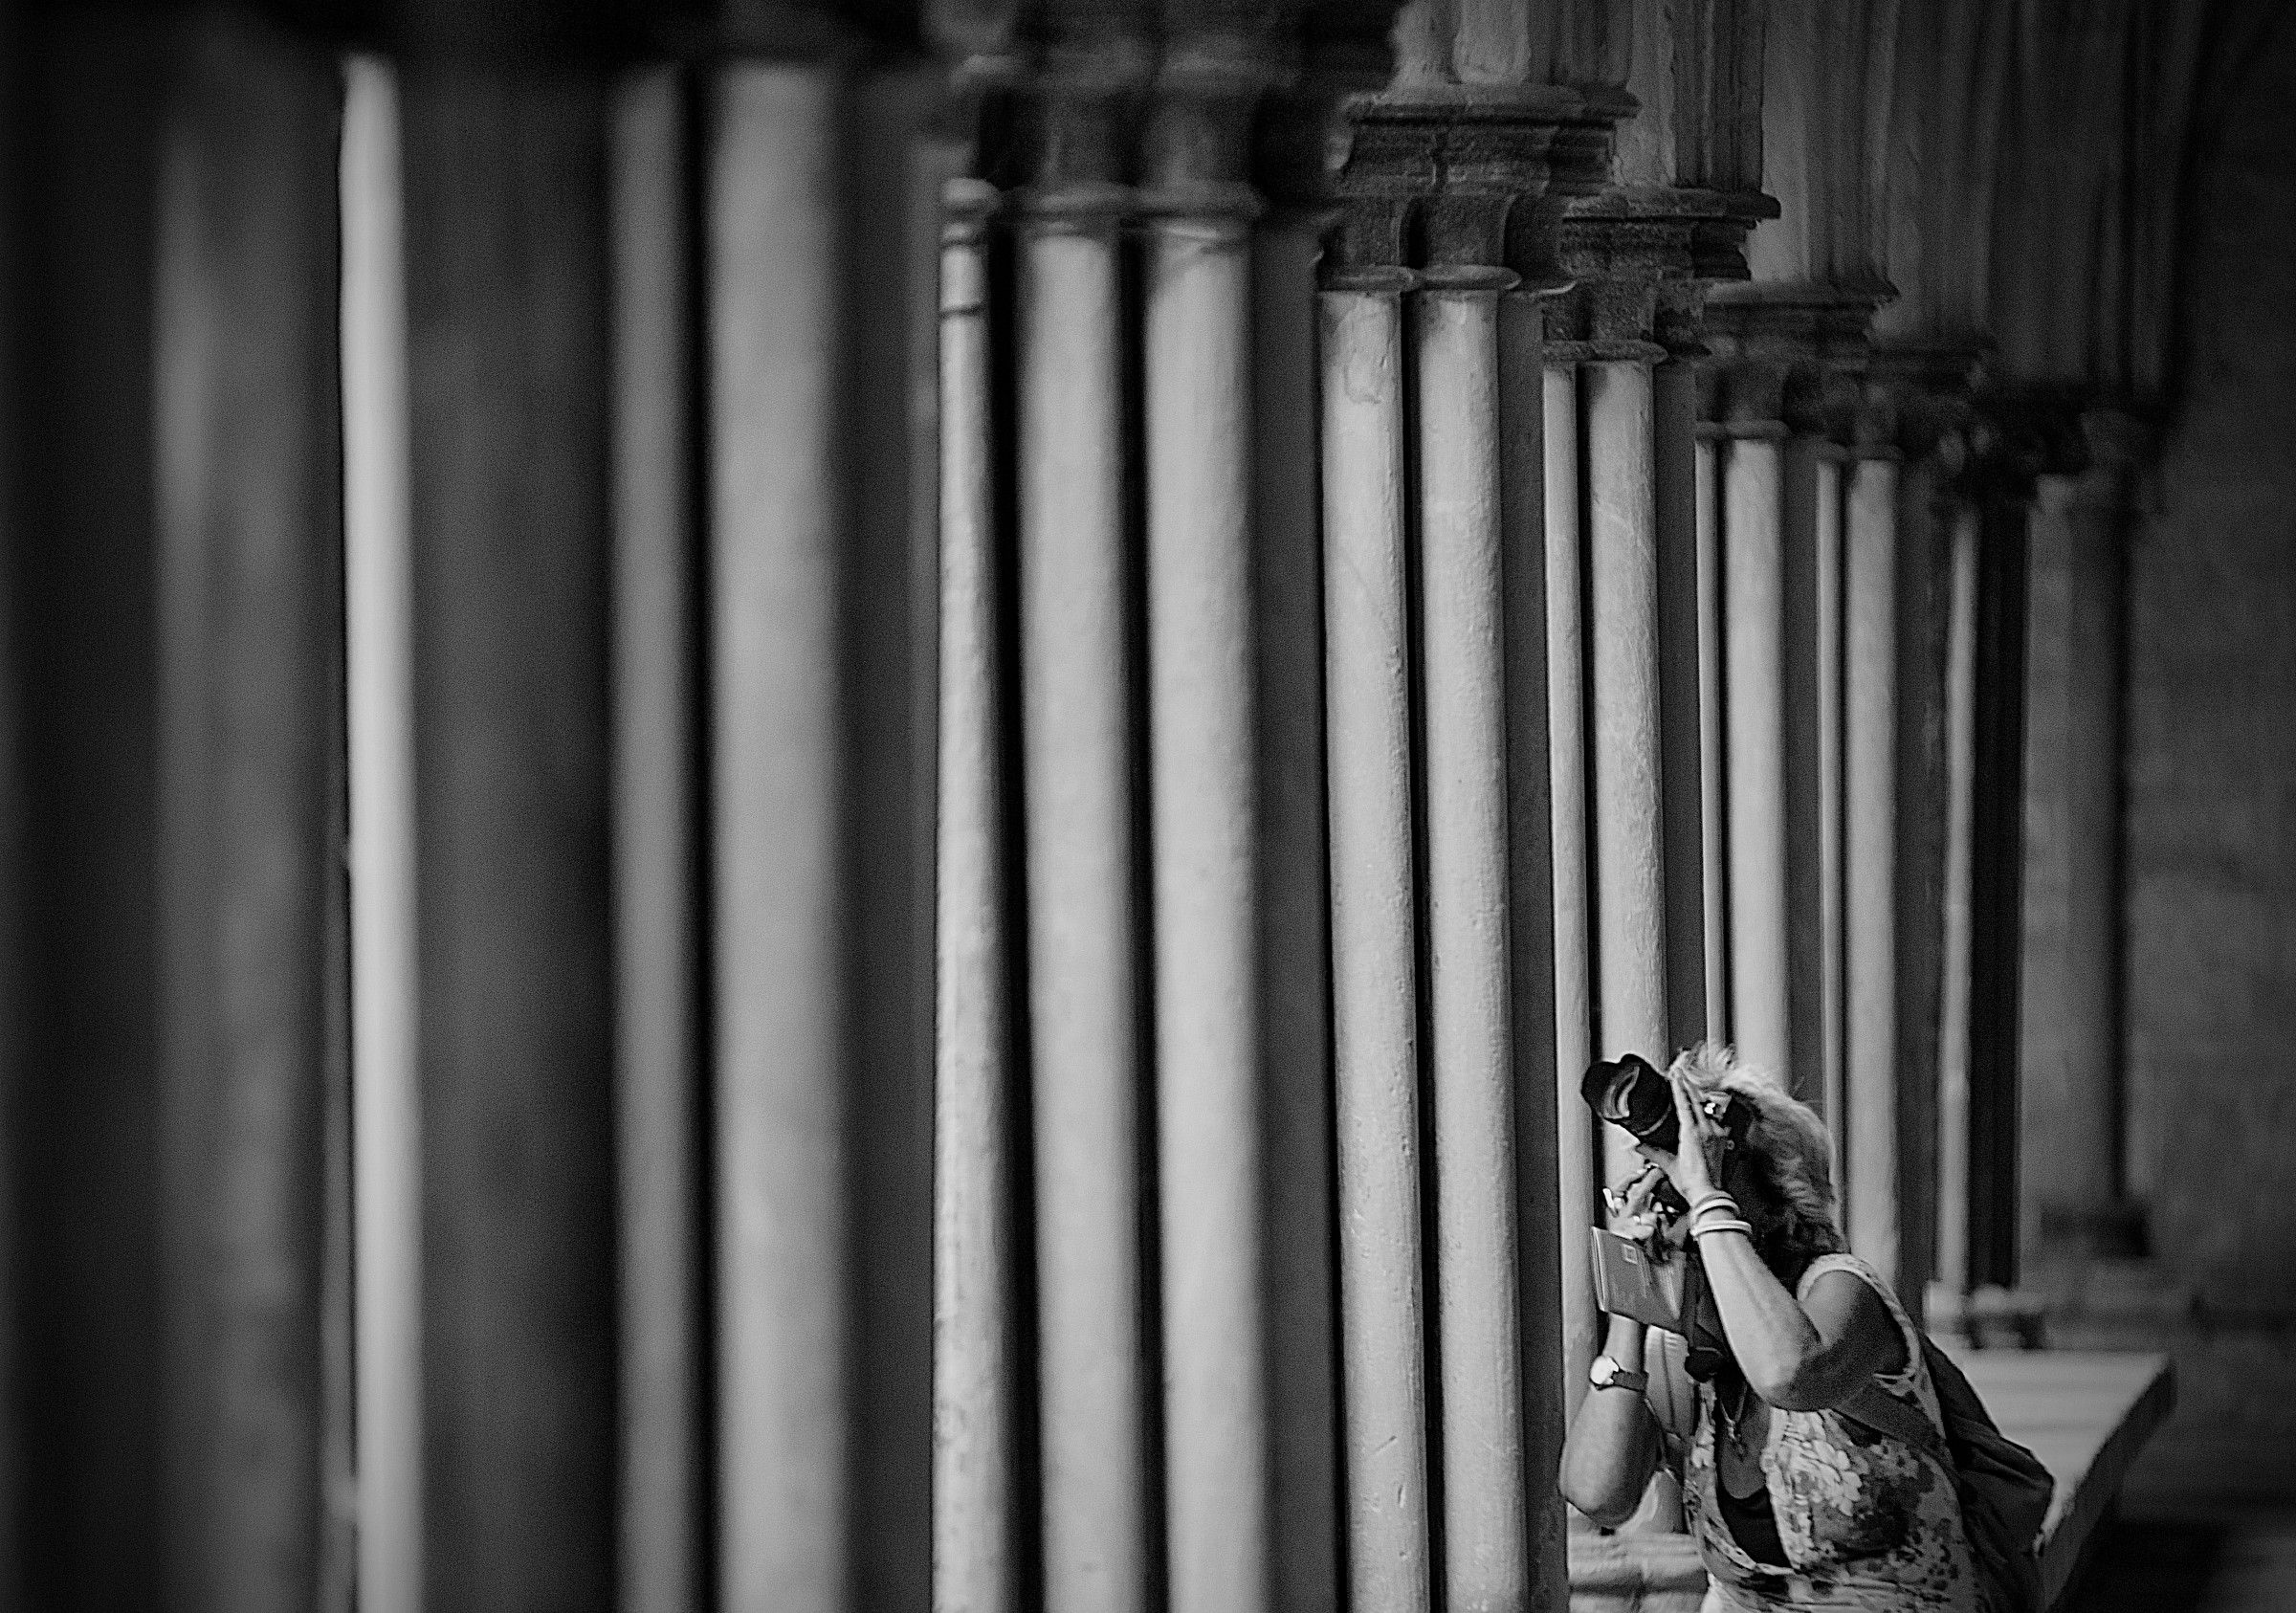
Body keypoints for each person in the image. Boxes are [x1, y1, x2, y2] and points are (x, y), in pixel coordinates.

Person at [1558, 1043, 1980, 1612]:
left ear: (1770, 1190)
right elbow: (1597, 1495)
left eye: (1695, 1173)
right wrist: (1634, 1298)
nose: (1676, 1193)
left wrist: (1707, 1197)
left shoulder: (1843, 1292)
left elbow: (1788, 1375)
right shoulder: (1686, 1354)